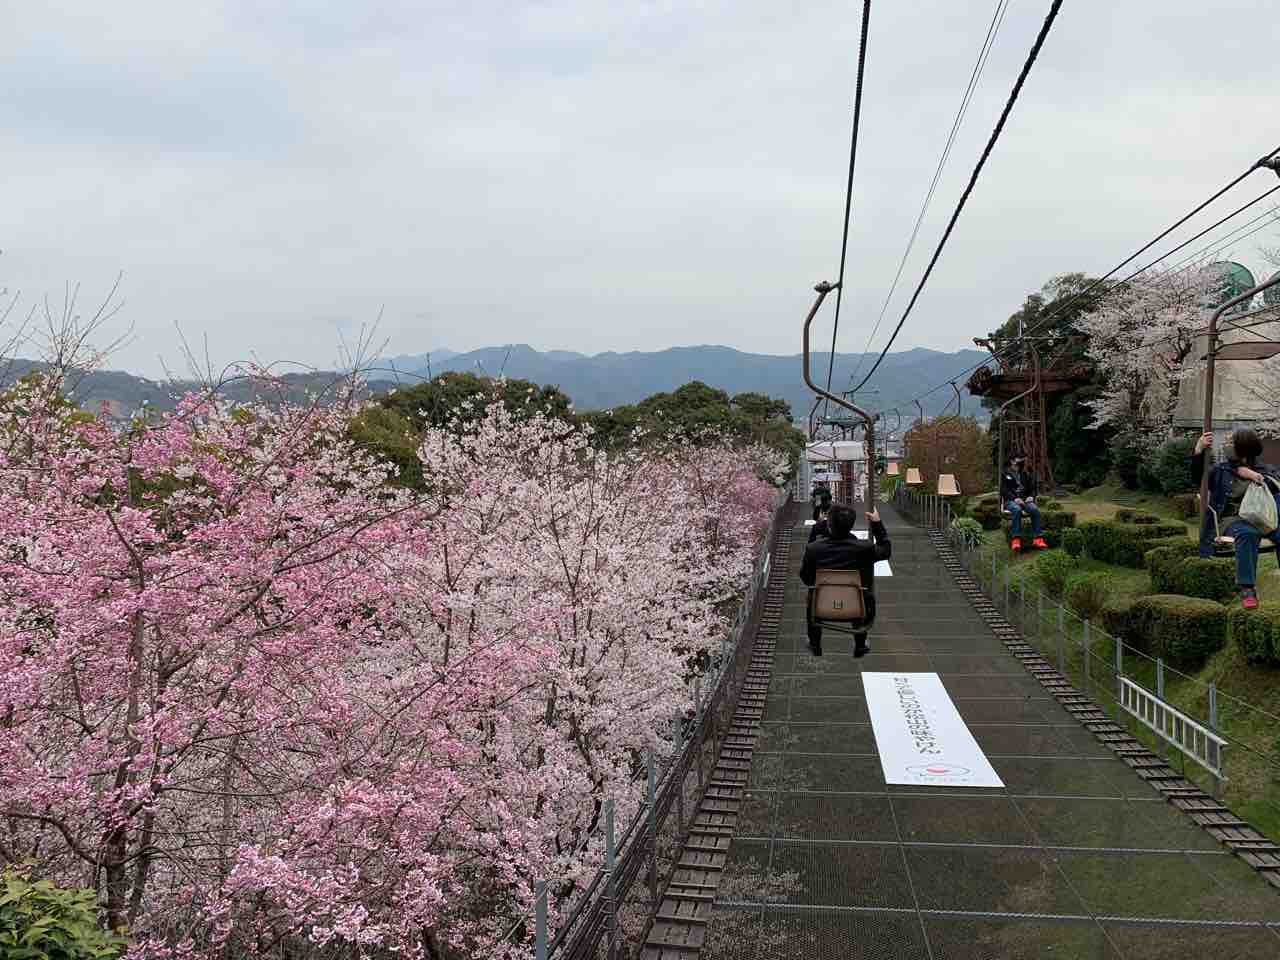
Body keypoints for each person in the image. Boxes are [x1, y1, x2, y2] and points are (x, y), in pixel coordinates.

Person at [1190, 428, 1280, 609]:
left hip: (1262, 518)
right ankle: (1248, 589)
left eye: (1230, 442)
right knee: (1247, 533)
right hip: (1231, 519)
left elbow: (1275, 489)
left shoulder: (1265, 469)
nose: (1225, 445)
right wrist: (1198, 451)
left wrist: (1257, 478)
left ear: (1243, 447)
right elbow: (1196, 478)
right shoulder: (1220, 470)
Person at [800, 502, 891, 658]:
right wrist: (877, 524)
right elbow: (885, 550)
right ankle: (860, 645)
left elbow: (806, 578)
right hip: (857, 608)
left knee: (812, 592)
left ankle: (815, 643)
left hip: (820, 607)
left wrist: (817, 528)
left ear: (828, 524)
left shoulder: (814, 549)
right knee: (861, 593)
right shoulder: (864, 548)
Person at [1001, 454, 1046, 552]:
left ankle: (1038, 539)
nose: (1021, 461)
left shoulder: (1025, 474)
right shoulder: (1005, 474)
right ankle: (1016, 540)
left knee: (1034, 510)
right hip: (1011, 501)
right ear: (1012, 461)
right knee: (1016, 510)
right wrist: (1014, 498)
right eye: (1019, 459)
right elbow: (1003, 490)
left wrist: (1031, 496)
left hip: (1025, 500)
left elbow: (1032, 488)